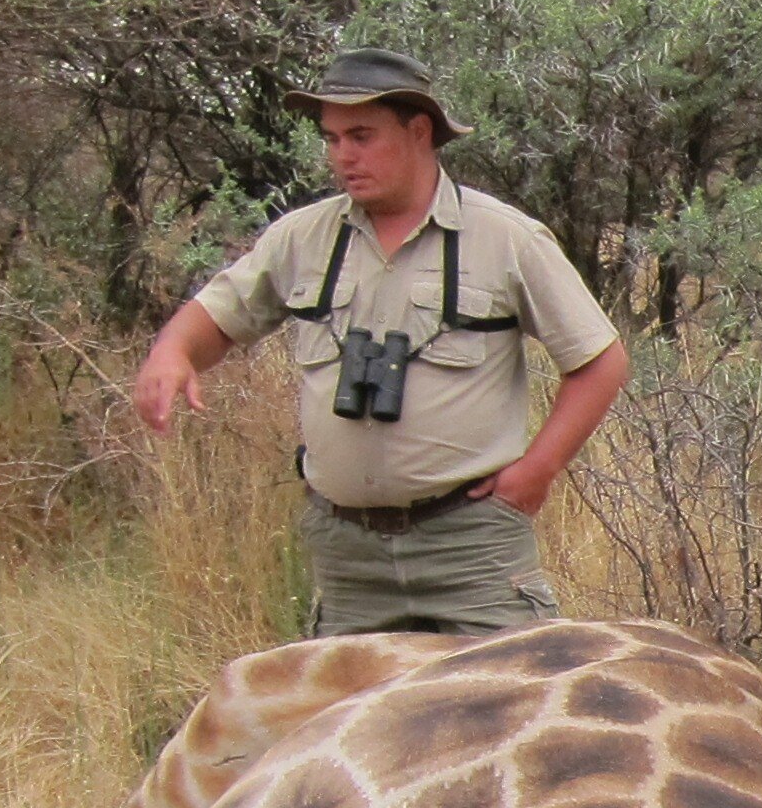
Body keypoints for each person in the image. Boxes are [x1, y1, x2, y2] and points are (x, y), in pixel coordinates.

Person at [127, 48, 632, 636]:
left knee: (501, 714)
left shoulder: (507, 238)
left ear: (419, 131)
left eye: (362, 136)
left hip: (470, 548)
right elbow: (216, 317)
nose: (344, 155)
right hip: (347, 555)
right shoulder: (302, 237)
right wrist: (172, 352)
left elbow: (601, 361)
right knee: (349, 722)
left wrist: (537, 471)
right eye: (333, 138)